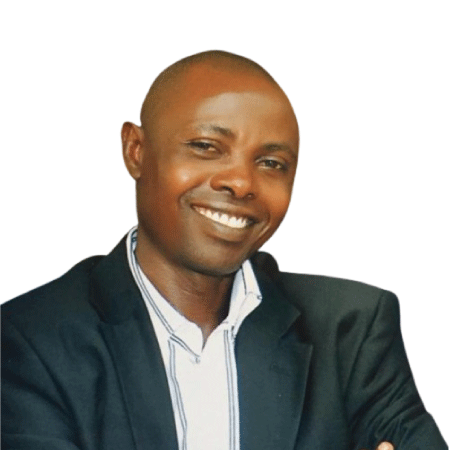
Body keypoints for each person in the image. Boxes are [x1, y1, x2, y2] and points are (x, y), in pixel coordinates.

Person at [1, 50, 447, 450]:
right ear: (136, 150)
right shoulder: (30, 340)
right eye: (206, 147)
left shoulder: (350, 332)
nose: (241, 182)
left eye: (271, 163)